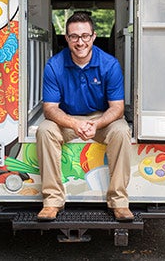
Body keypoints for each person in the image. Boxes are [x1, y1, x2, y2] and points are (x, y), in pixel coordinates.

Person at [36, 11, 133, 222]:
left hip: (101, 118)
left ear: (94, 36)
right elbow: (50, 109)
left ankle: (119, 202)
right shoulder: (54, 65)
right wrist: (74, 123)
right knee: (44, 130)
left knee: (122, 131)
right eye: (74, 37)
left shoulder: (110, 64)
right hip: (67, 117)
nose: (80, 42)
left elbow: (116, 108)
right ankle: (52, 201)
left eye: (85, 36)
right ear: (67, 38)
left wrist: (96, 124)